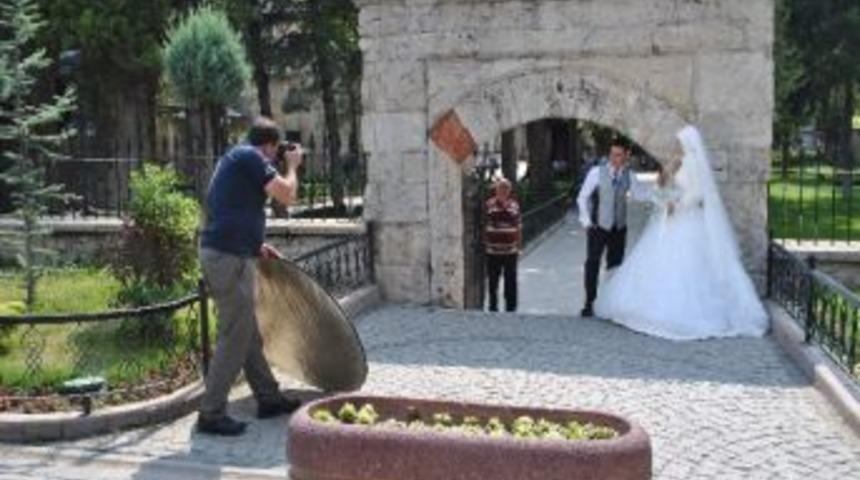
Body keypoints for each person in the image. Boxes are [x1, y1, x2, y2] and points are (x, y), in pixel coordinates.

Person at [594, 126, 768, 340]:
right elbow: (666, 185)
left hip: (686, 217)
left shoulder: (694, 164)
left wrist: (678, 203)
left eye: (679, 142)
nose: (676, 146)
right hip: (671, 217)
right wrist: (664, 189)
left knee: (685, 263)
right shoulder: (678, 162)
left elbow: (697, 192)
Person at [197, 117, 304, 436]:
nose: (277, 157)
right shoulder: (250, 157)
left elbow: (232, 207)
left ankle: (268, 398)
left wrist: (256, 245)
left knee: (247, 332)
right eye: (277, 151)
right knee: (234, 335)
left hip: (234, 254)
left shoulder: (239, 158)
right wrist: (293, 166)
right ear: (270, 147)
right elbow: (287, 195)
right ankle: (211, 413)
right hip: (226, 259)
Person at [576, 138, 652, 317]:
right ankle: (589, 302)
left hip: (619, 227)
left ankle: (610, 303)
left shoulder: (629, 175)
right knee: (592, 264)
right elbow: (582, 197)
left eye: (618, 155)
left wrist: (662, 193)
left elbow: (641, 195)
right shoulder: (596, 172)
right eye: (612, 154)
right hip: (599, 227)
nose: (613, 158)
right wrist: (586, 222)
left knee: (615, 266)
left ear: (626, 155)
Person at [484, 178, 522, 312]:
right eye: (501, 188)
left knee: (510, 280)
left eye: (506, 188)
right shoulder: (489, 205)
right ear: (496, 190)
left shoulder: (514, 205)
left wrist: (518, 246)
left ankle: (511, 307)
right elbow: (484, 224)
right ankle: (493, 306)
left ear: (509, 191)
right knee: (493, 280)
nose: (503, 191)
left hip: (510, 250)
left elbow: (518, 226)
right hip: (493, 251)